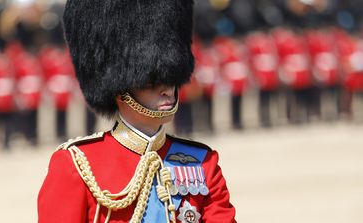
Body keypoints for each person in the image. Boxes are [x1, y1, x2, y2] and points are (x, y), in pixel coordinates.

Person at [38, 1, 237, 223]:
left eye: (170, 78)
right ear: (121, 90)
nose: (167, 89)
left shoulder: (202, 162)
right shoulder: (76, 164)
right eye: (151, 82)